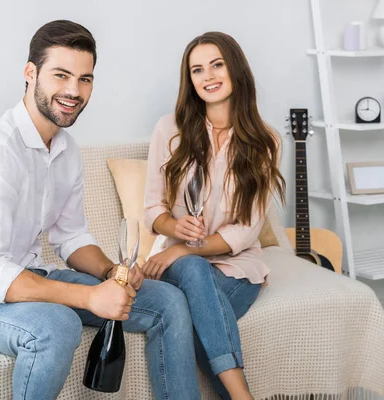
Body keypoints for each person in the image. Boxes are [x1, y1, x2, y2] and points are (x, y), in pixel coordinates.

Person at [0, 20, 201, 400]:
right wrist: (91, 298)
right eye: (61, 75)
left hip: (29, 275)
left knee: (167, 300)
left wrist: (111, 272)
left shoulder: (66, 149)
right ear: (30, 73)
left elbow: (70, 236)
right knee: (57, 324)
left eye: (85, 79)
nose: (74, 91)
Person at [143, 31, 286, 400]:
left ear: (235, 69)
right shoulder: (169, 129)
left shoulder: (266, 141)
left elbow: (247, 230)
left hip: (238, 268)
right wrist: (174, 229)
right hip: (178, 267)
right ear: (189, 81)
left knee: (184, 323)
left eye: (217, 65)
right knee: (191, 269)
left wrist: (183, 249)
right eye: (197, 70)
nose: (208, 76)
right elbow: (152, 209)